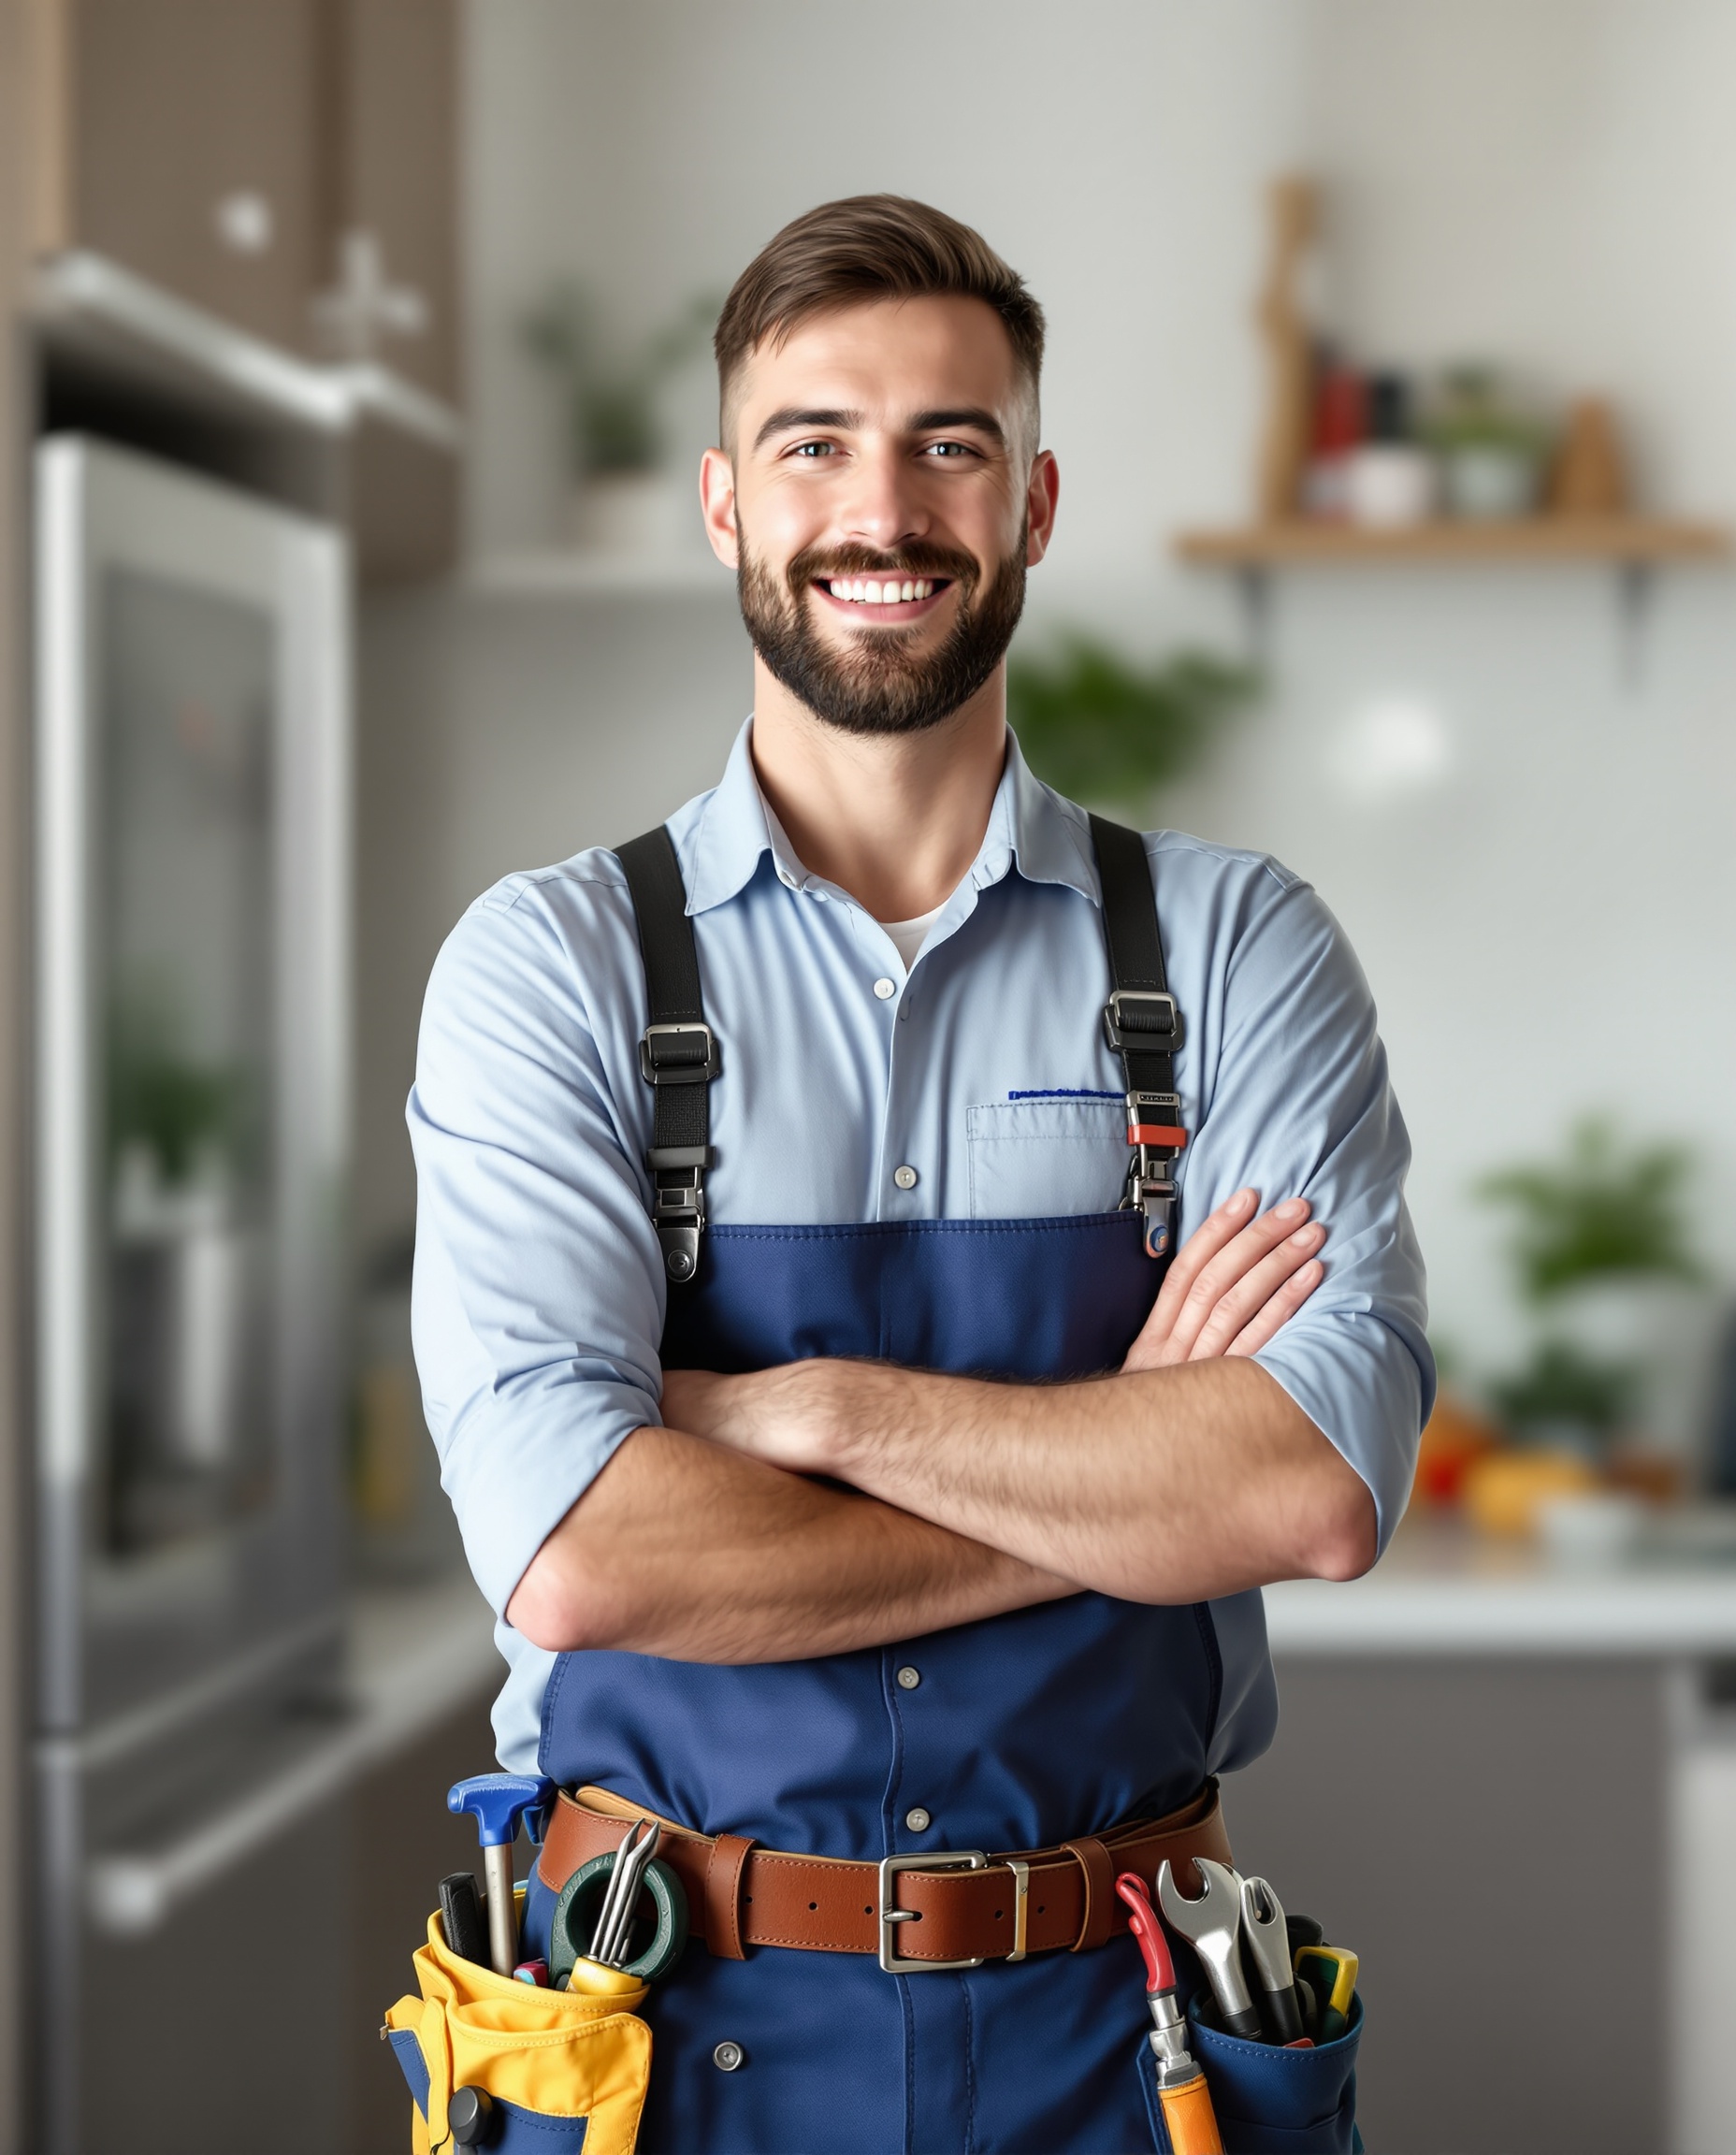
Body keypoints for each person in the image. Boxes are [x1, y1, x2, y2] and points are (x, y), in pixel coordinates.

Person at [410, 195, 1430, 2153]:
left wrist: (810, 1411)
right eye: (815, 445)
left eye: (948, 444)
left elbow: (1305, 1491)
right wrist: (1127, 1475)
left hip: (1124, 2040)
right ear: (725, 504)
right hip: (653, 2040)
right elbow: (585, 1553)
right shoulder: (554, 967)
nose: (882, 511)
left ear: (1032, 503)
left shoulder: (1234, 953)